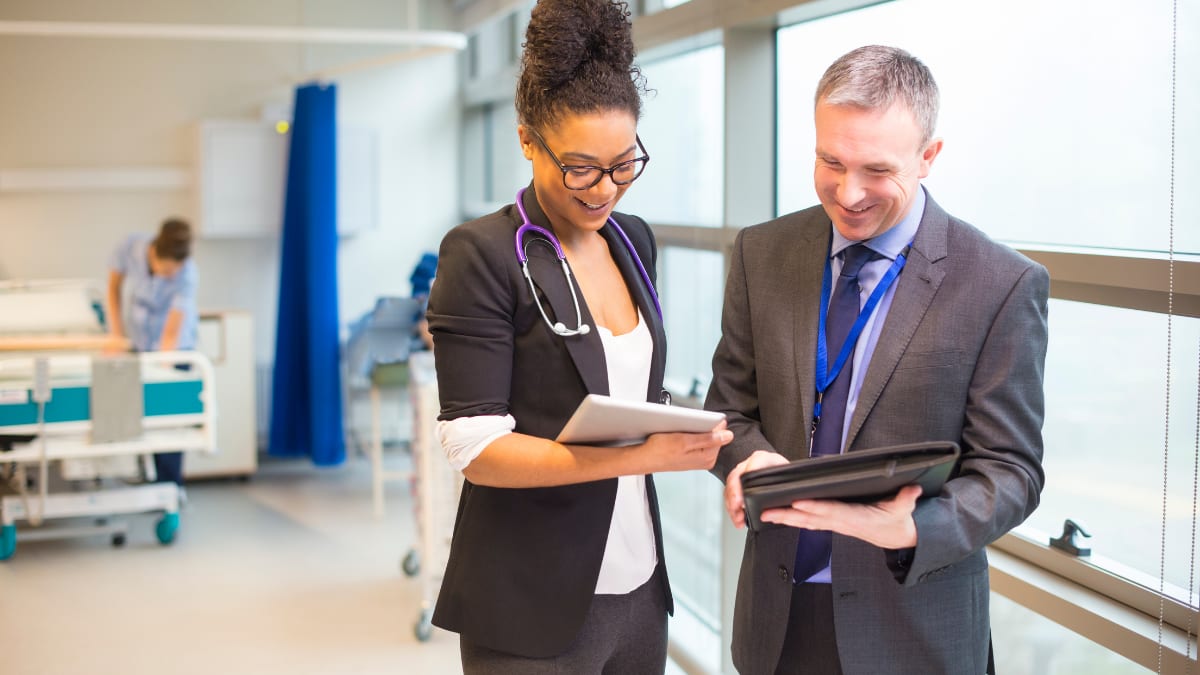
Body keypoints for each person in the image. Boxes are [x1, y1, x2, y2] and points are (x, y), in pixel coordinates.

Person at [706, 45, 1049, 675]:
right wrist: (744, 457)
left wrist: (914, 527)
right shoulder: (763, 251)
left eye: (876, 170)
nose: (849, 192)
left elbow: (1012, 471)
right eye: (829, 161)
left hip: (910, 626)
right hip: (776, 620)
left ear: (929, 158)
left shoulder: (1000, 284)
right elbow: (729, 408)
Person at [425, 1, 732, 672]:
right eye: (581, 168)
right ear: (528, 139)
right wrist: (641, 455)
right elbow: (476, 448)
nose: (604, 190)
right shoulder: (482, 255)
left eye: (624, 164)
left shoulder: (634, 240)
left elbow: (631, 392)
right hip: (530, 601)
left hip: (639, 586)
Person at [106, 217, 199, 486]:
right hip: (138, 341)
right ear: (154, 254)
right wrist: (115, 336)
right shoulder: (131, 246)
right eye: (163, 270)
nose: (166, 276)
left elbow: (171, 332)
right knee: (137, 415)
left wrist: (161, 369)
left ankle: (169, 488)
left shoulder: (188, 274)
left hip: (174, 348)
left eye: (172, 273)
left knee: (168, 419)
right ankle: (146, 476)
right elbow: (113, 289)